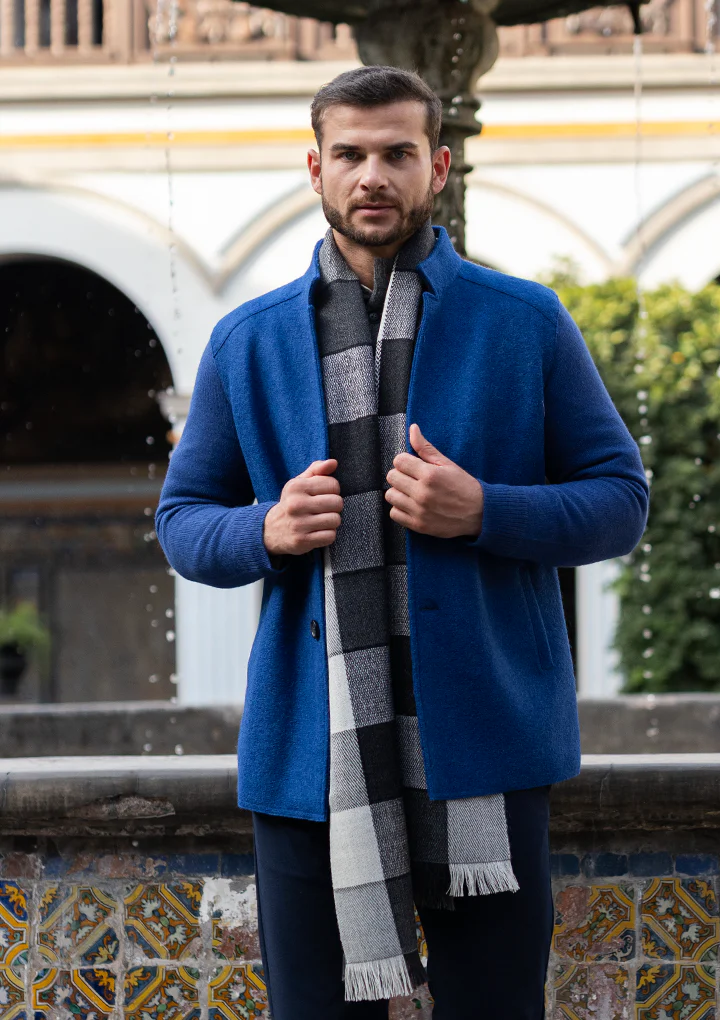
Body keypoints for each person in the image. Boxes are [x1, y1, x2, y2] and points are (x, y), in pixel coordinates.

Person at [155, 65, 649, 1020]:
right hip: (314, 758)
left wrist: (486, 509)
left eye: (397, 153)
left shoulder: (525, 322)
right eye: (349, 154)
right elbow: (182, 523)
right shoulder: (247, 340)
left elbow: (620, 501)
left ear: (440, 166)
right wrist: (265, 528)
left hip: (485, 748)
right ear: (316, 168)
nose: (372, 175)